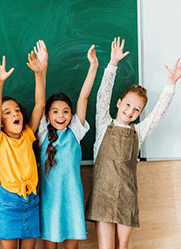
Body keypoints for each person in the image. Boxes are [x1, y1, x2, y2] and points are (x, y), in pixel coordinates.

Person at [85, 37, 181, 249]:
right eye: (127, 105)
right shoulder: (103, 124)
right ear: (119, 103)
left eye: (136, 109)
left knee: (124, 245)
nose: (130, 111)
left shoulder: (138, 131)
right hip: (103, 196)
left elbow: (158, 113)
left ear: (139, 114)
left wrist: (171, 85)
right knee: (105, 246)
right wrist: (112, 64)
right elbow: (102, 95)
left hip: (127, 197)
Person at [0, 40, 48, 249]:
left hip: (32, 198)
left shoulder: (28, 133)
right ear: (1, 123)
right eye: (8, 113)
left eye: (17, 110)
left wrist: (40, 72)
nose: (15, 114)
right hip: (9, 202)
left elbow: (40, 104)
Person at [38, 45, 98, 249]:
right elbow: (40, 97)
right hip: (49, 200)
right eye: (55, 112)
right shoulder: (42, 132)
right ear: (47, 115)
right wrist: (43, 67)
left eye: (65, 111)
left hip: (72, 198)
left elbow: (84, 97)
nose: (61, 116)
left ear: (71, 115)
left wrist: (93, 66)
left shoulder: (75, 131)